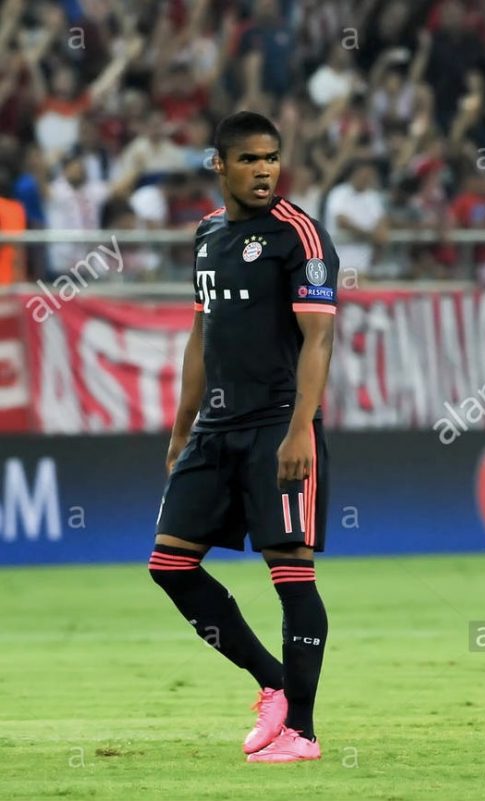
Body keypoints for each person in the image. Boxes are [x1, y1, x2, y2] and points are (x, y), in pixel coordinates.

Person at [149, 111, 339, 763]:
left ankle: (303, 732)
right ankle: (274, 682)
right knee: (170, 565)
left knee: (291, 574)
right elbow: (200, 335)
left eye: (272, 158)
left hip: (276, 425)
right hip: (214, 430)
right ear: (220, 165)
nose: (264, 170)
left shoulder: (299, 235)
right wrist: (181, 430)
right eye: (250, 159)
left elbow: (319, 338)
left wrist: (300, 429)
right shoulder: (207, 235)